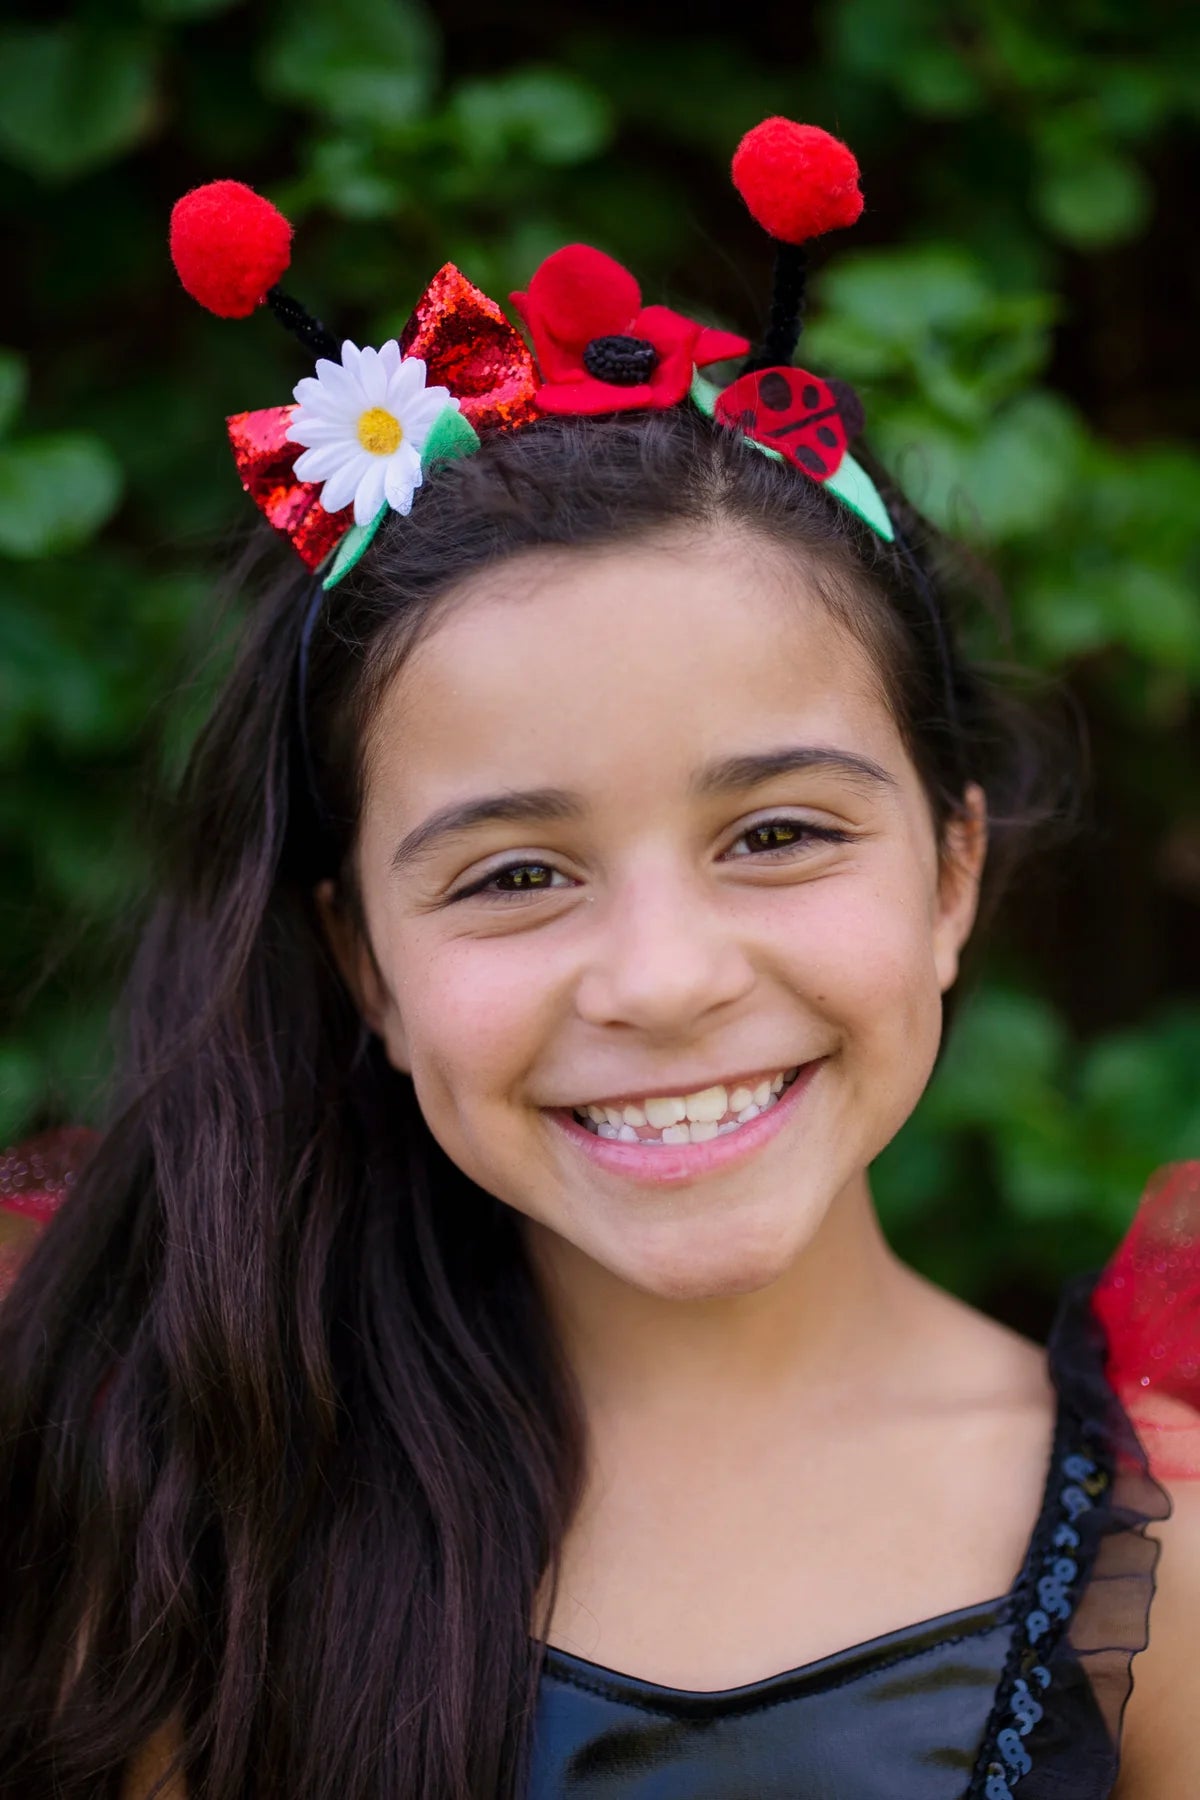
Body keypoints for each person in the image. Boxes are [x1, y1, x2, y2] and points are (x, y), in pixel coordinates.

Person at [0, 118, 1197, 1800]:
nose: (662, 977)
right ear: (363, 966)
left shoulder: (1170, 1559)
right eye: (514, 873)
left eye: (777, 833)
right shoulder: (171, 1518)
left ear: (951, 873)